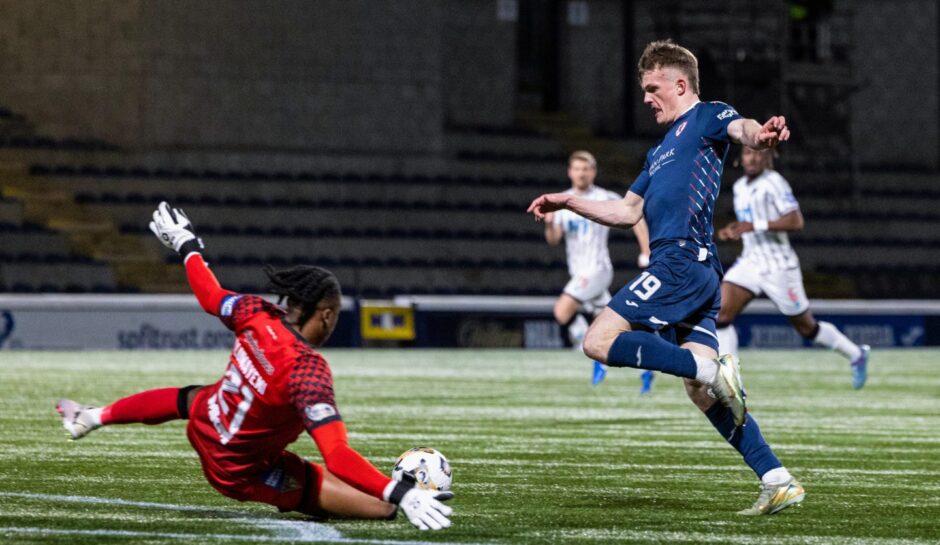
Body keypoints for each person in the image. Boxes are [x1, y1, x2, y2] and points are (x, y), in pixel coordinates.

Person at [527, 40, 804, 515]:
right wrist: (568, 200)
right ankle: (777, 478)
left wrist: (765, 134)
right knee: (700, 394)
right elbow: (625, 210)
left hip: (679, 263)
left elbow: (747, 131)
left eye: (652, 88)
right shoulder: (658, 153)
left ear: (680, 84)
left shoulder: (708, 116)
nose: (646, 98)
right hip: (697, 273)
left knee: (597, 340)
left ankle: (711, 369)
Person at [56, 202, 454, 531]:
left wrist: (187, 245)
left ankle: (92, 416)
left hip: (207, 424)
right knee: (380, 508)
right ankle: (390, 491)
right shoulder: (307, 371)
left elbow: (211, 296)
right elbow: (336, 454)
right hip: (239, 470)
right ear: (328, 315)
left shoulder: (256, 313)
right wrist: (401, 494)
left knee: (193, 398)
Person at [716, 147, 870, 389]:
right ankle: (732, 382)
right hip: (750, 262)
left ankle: (856, 354)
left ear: (768, 158)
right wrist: (735, 230)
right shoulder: (739, 188)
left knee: (806, 327)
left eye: (758, 153)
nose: (753, 158)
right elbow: (750, 223)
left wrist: (754, 225)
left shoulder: (775, 183)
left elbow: (796, 220)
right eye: (747, 153)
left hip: (779, 266)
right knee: (720, 314)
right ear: (740, 158)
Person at [541, 150, 654, 392]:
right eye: (577, 169)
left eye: (586, 169)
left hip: (597, 270)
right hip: (579, 273)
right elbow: (553, 240)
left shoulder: (604, 196)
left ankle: (590, 354)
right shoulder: (563, 201)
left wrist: (645, 251)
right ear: (570, 172)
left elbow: (636, 217)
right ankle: (647, 363)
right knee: (614, 329)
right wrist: (550, 224)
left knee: (561, 312)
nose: (581, 173)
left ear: (593, 171)